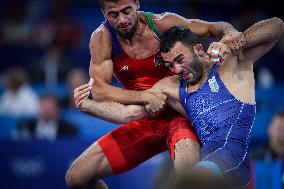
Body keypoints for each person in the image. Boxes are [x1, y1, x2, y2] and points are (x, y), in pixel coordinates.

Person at [74, 17, 284, 187]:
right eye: (169, 65)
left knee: (186, 182)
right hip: (209, 162)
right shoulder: (172, 86)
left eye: (179, 60)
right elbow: (128, 114)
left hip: (232, 158)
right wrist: (88, 106)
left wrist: (239, 40)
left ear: (199, 50)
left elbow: (276, 26)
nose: (176, 70)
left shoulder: (230, 65)